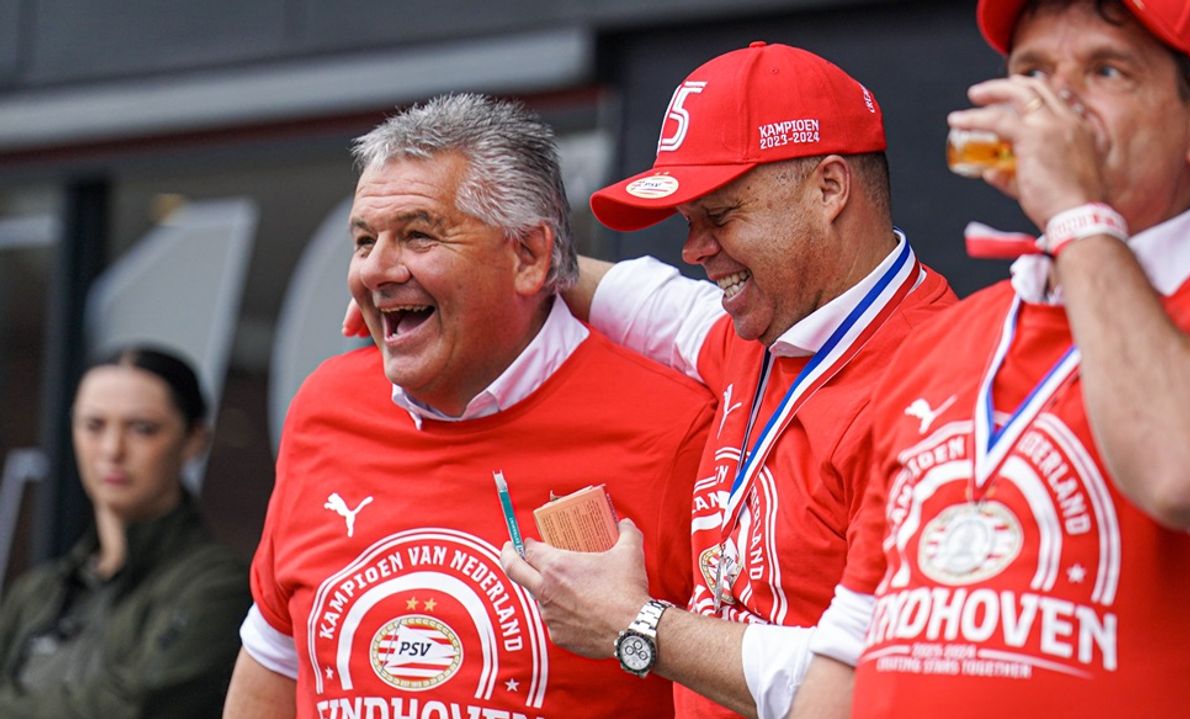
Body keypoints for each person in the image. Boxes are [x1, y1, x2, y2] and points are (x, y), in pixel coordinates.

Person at [789, 1, 1190, 717]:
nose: (1056, 102)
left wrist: (1077, 215)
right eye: (1033, 72)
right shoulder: (940, 340)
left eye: (1106, 70)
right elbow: (851, 654)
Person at [500, 42, 955, 719]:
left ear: (828, 189)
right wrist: (454, 284)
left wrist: (639, 624)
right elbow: (638, 296)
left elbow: (878, 680)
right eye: (688, 222)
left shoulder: (939, 383)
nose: (692, 250)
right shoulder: (760, 327)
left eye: (720, 214)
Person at [223, 93, 714, 719]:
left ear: (529, 256)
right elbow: (274, 655)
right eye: (365, 240)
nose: (373, 270)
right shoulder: (326, 405)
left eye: (418, 235)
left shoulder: (676, 431)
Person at [0, 345, 250, 718]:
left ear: (195, 439)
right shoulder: (38, 591)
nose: (112, 449)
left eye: (142, 429)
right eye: (93, 425)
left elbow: (135, 708)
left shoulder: (217, 587)